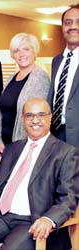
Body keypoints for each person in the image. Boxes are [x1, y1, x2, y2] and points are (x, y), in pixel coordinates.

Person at [0, 97, 79, 250]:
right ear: (23, 119)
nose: (35, 120)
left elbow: (68, 198)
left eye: (41, 115)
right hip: (1, 217)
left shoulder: (65, 153)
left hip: (33, 221)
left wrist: (49, 219)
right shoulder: (12, 149)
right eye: (29, 115)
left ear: (50, 117)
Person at [0, 33, 50, 154]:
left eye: (26, 49)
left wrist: (23, 147)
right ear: (12, 55)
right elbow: (1, 111)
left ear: (34, 52)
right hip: (5, 144)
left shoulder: (40, 78)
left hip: (25, 146)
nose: (21, 54)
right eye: (16, 51)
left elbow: (37, 119)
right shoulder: (11, 78)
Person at [48, 4, 79, 147]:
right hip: (55, 133)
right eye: (68, 22)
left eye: (78, 22)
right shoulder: (57, 60)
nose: (73, 26)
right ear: (62, 28)